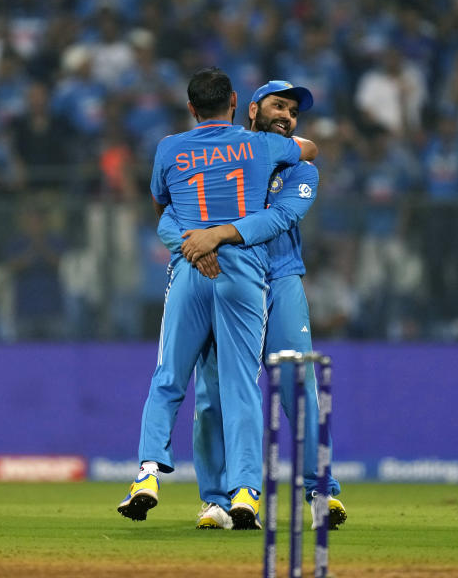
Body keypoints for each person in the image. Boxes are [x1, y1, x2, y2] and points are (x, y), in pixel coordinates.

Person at [118, 68, 318, 531]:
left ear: (190, 108)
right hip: (244, 269)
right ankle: (245, 489)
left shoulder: (169, 147)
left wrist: (195, 243)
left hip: (190, 267)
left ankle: (147, 475)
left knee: (169, 377)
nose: (286, 115)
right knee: (240, 384)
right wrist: (219, 239)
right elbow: (307, 151)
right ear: (236, 102)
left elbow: (161, 209)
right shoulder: (260, 147)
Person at [161, 81, 346, 530]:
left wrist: (217, 234)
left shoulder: (299, 167)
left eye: (293, 111)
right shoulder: (231, 154)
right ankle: (219, 501)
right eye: (278, 106)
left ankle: (320, 490)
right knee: (212, 396)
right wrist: (195, 244)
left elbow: (280, 217)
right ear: (251, 110)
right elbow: (177, 208)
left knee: (297, 384)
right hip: (223, 277)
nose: (287, 115)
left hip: (280, 279)